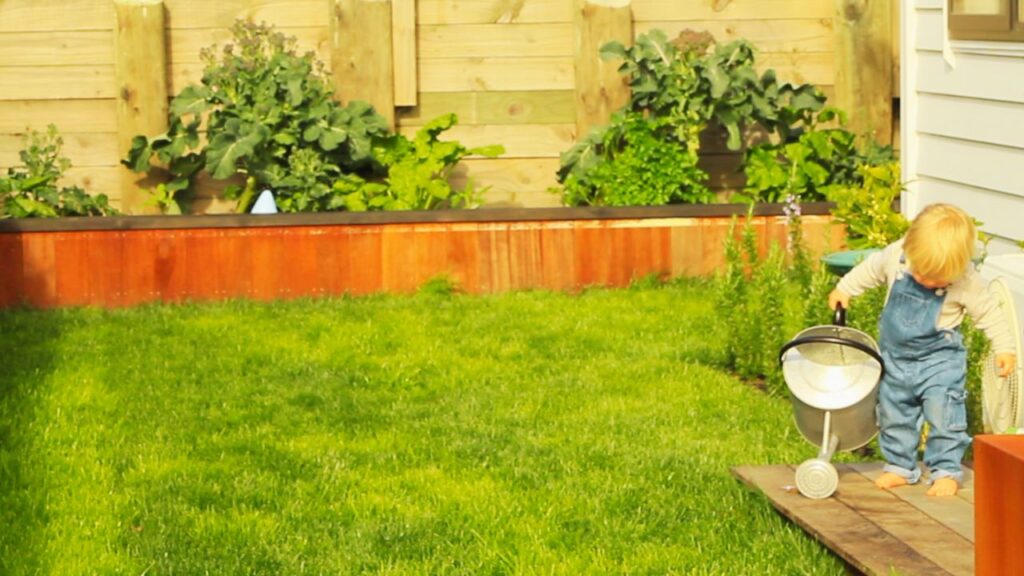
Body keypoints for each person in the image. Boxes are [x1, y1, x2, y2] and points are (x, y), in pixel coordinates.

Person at [828, 203, 1017, 497]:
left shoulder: (966, 281)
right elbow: (871, 269)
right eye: (922, 273)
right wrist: (845, 288)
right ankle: (900, 466)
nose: (927, 282)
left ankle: (945, 469)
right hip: (895, 359)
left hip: (940, 362)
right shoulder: (897, 257)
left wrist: (1004, 348)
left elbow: (989, 313)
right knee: (894, 413)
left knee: (944, 416)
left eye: (937, 278)